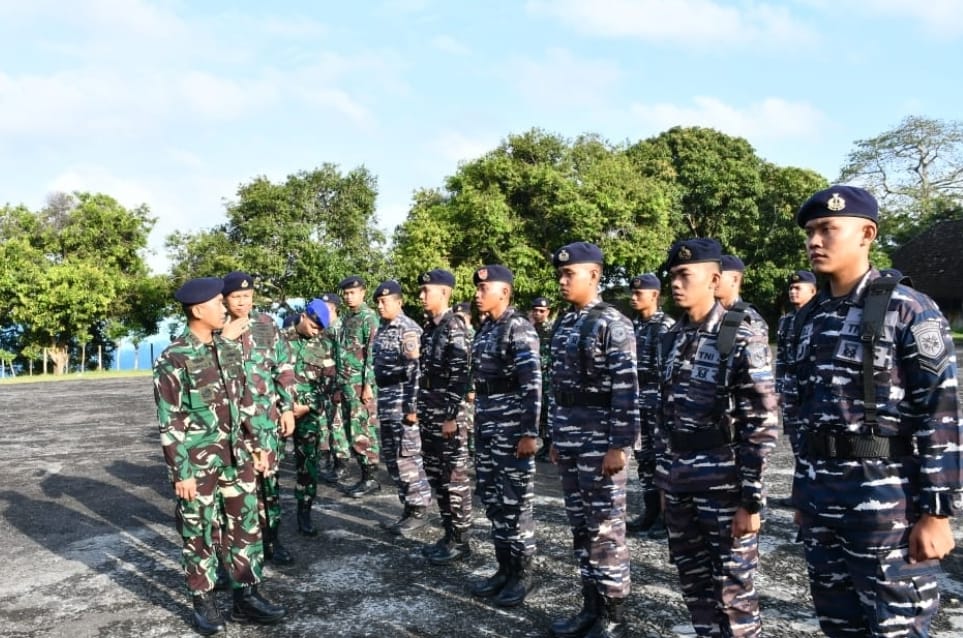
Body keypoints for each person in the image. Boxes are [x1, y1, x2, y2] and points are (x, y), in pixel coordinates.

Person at [790, 185, 962, 637]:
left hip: (887, 507)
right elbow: (799, 412)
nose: (814, 241)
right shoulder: (805, 319)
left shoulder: (909, 310)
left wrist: (937, 513)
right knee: (838, 626)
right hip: (822, 500)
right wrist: (802, 493)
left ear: (867, 233)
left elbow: (939, 413)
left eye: (828, 228)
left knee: (897, 628)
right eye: (810, 231)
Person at [657, 238, 778, 637]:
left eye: (684, 275)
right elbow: (664, 417)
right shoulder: (672, 337)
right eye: (672, 275)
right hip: (680, 482)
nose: (675, 283)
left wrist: (751, 499)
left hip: (723, 486)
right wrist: (664, 479)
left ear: (713, 279)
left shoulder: (740, 333)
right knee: (694, 584)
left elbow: (759, 422)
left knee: (734, 591)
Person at [153, 277, 286, 636]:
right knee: (198, 530)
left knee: (245, 525)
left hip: (237, 456)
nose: (224, 308)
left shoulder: (229, 350)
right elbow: (171, 419)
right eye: (217, 303)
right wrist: (180, 472)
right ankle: (204, 600)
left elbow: (245, 402)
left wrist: (258, 444)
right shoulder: (173, 358)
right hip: (197, 464)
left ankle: (247, 594)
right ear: (198, 310)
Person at [547, 242, 639, 638]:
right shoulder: (564, 323)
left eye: (570, 274)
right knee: (581, 527)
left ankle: (614, 616)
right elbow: (558, 386)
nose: (563, 281)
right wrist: (554, 433)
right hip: (569, 439)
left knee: (605, 530)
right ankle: (591, 606)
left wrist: (619, 444)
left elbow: (626, 388)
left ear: (595, 276)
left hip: (600, 444)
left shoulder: (613, 323)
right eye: (561, 275)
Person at [469, 265, 542, 607]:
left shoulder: (519, 328)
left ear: (505, 293)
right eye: (477, 288)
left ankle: (523, 576)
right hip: (486, 426)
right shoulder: (485, 329)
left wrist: (530, 432)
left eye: (485, 288)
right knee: (493, 500)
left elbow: (532, 384)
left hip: (513, 431)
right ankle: (504, 569)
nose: (478, 293)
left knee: (515, 503)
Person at [221, 271, 297, 566]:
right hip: (231, 425)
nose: (242, 302)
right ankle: (234, 551)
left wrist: (288, 406)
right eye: (236, 297)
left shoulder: (266, 325)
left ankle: (272, 540)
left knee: (270, 484)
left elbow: (284, 366)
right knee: (235, 488)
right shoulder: (218, 329)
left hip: (266, 421)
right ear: (225, 299)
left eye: (247, 296)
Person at [417, 268, 474, 565]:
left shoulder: (454, 327)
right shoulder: (430, 328)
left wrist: (451, 415)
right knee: (436, 474)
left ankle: (461, 540)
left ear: (444, 292)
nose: (422, 296)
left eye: (427, 291)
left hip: (447, 412)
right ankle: (449, 533)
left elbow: (460, 375)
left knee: (454, 476)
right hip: (429, 407)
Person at [371, 280, 433, 534]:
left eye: (384, 301)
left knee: (406, 455)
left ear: (399, 302)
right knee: (392, 456)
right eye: (377, 302)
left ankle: (419, 509)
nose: (380, 305)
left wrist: (412, 408)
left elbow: (416, 371)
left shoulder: (407, 329)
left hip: (401, 399)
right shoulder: (383, 328)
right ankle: (407, 507)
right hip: (386, 398)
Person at [624, 273, 674, 540]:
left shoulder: (664, 326)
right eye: (632, 293)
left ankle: (667, 518)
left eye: (638, 294)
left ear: (654, 295)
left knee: (662, 460)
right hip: (636, 401)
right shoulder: (634, 326)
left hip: (657, 402)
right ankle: (650, 511)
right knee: (644, 460)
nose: (633, 298)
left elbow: (669, 371)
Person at [280, 299, 335, 536]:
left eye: (320, 330)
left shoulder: (324, 345)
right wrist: (282, 406)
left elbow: (329, 386)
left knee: (307, 465)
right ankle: (268, 514)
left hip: (307, 415)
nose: (316, 332)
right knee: (270, 465)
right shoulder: (279, 340)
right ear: (304, 316)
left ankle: (305, 510)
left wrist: (308, 406)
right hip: (278, 414)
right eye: (314, 327)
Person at [335, 276, 382, 497]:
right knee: (351, 431)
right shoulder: (346, 318)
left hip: (360, 386)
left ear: (363, 293)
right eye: (346, 293)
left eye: (353, 293)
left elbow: (372, 354)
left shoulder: (368, 317)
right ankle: (365, 475)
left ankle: (371, 478)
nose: (349, 296)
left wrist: (368, 385)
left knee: (363, 430)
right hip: (345, 383)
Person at [773, 270, 817, 460]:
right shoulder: (786, 321)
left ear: (813, 291)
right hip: (790, 386)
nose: (793, 292)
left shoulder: (820, 319)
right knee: (793, 435)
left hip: (812, 386)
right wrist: (779, 388)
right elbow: (781, 356)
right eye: (791, 288)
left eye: (798, 288)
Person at [317, 292, 351, 485]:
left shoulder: (339, 328)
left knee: (336, 424)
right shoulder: (323, 328)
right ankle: (326, 459)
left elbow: (343, 359)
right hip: (322, 382)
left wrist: (339, 386)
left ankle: (341, 465)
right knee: (324, 424)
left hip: (334, 383)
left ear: (333, 308)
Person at [529, 296, 554, 461]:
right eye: (536, 310)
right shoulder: (529, 329)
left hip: (548, 377)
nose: (538, 314)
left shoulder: (552, 330)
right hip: (533, 376)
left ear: (548, 312)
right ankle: (544, 444)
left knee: (548, 412)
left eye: (542, 311)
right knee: (537, 413)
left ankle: (549, 445)